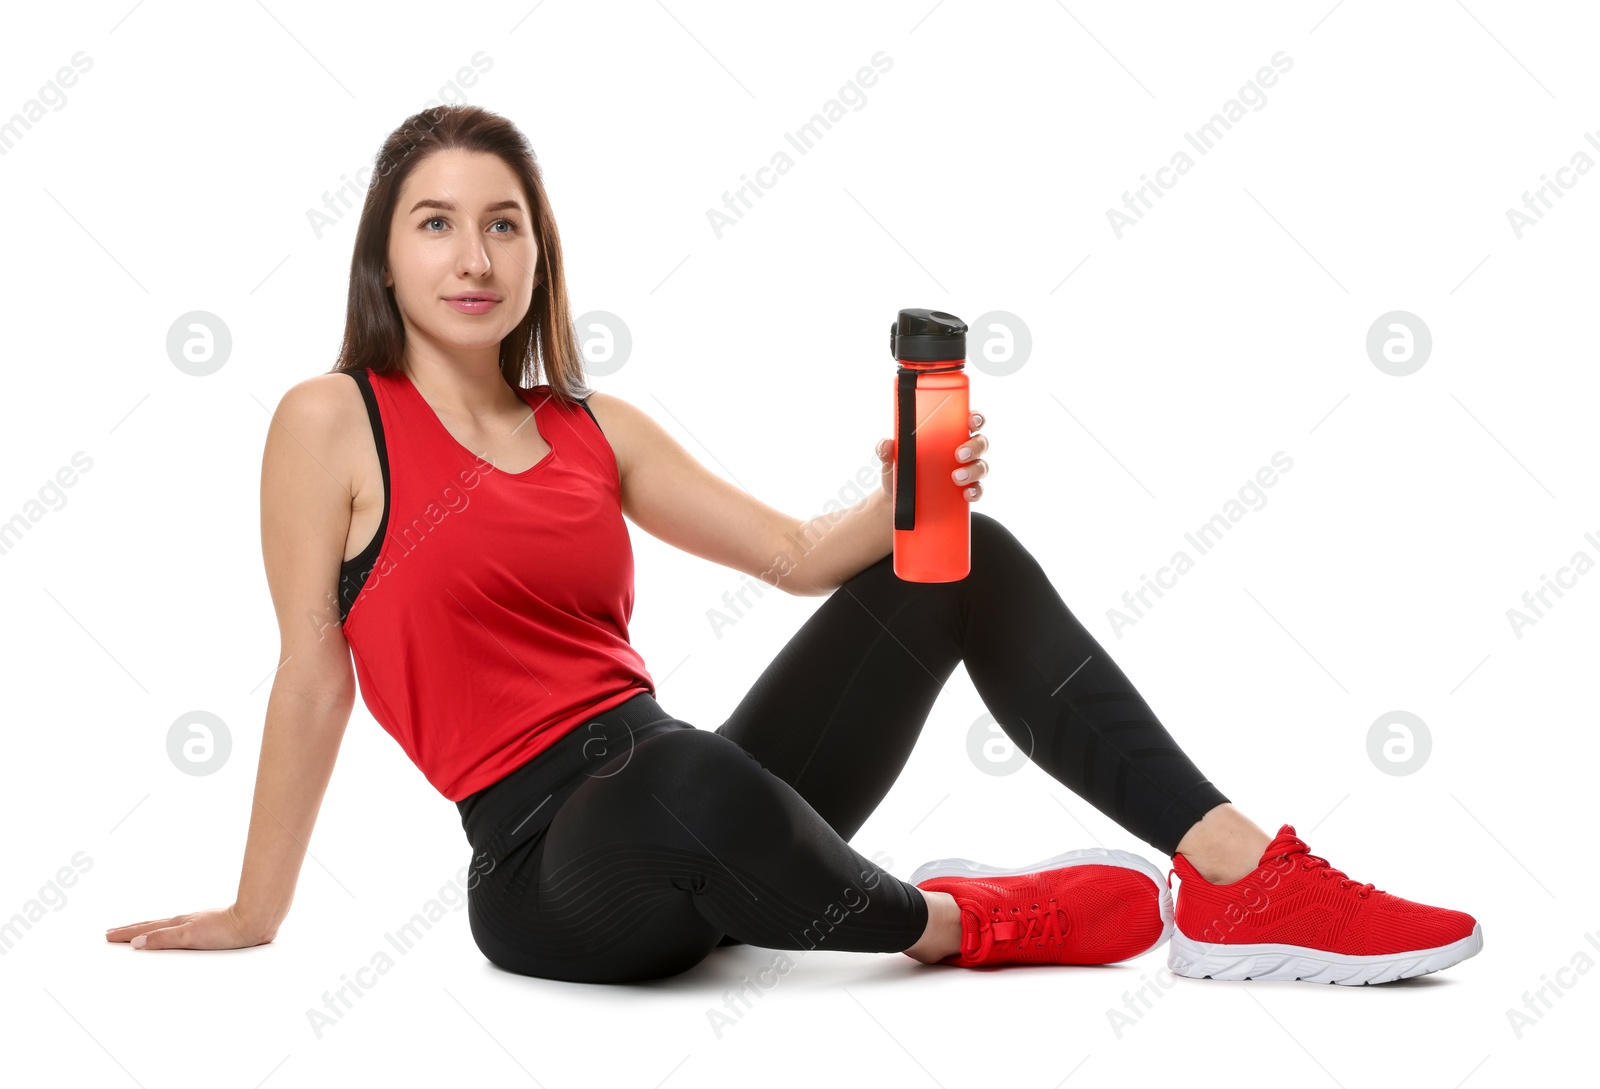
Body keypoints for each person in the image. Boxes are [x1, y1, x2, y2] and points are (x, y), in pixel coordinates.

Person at [105, 106, 1482, 987]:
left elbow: (793, 553)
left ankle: (1242, 877)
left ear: (539, 254)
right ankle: (952, 922)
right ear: (386, 257)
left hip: (684, 781)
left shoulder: (594, 426)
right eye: (437, 222)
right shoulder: (332, 421)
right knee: (691, 775)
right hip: (547, 863)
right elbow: (310, 675)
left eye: (504, 221)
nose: (475, 253)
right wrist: (253, 907)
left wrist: (901, 506)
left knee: (964, 556)